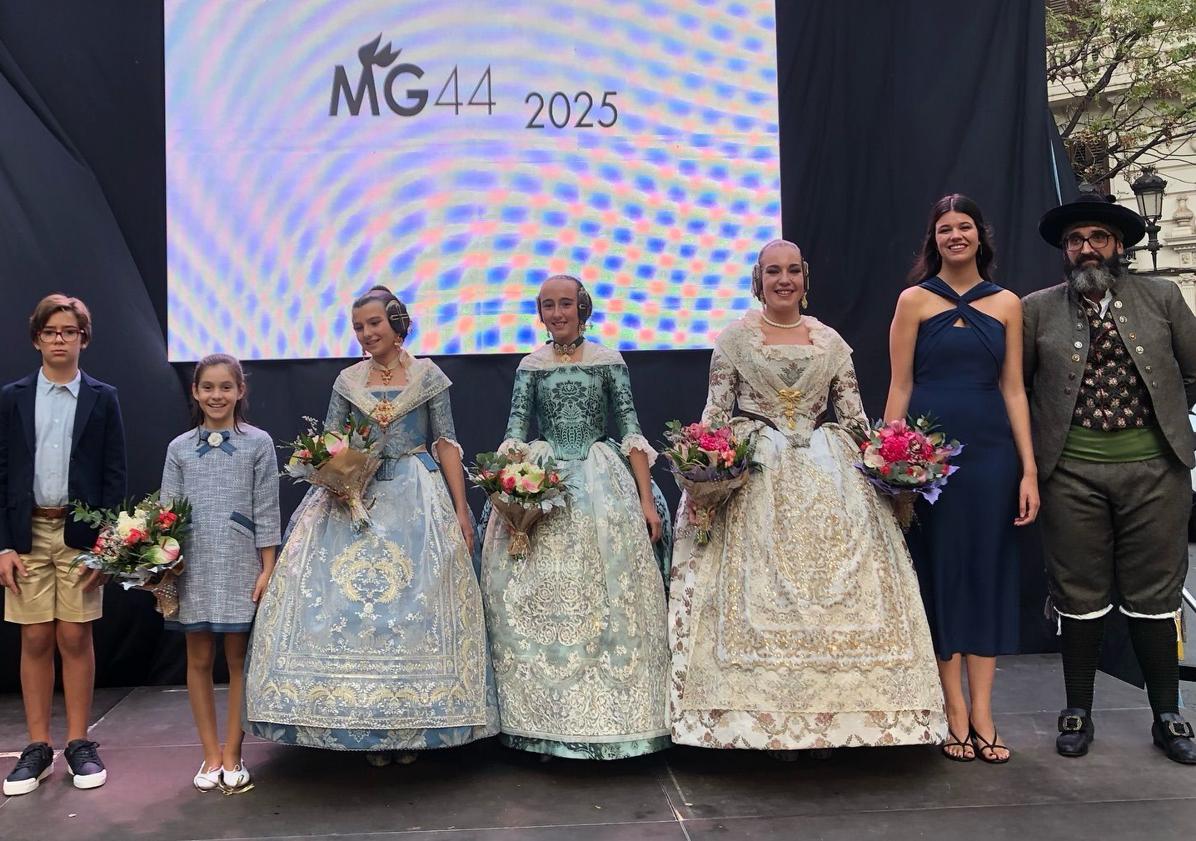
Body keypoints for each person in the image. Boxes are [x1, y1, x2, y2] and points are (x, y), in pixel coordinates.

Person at [669, 240, 946, 756]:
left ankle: (837, 720)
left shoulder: (830, 342)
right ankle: (760, 720)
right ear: (758, 279)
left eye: (793, 270)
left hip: (827, 468)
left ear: (805, 278)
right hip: (756, 466)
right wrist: (704, 471)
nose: (784, 279)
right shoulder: (734, 340)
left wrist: (891, 463)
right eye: (773, 271)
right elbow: (715, 415)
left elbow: (854, 415)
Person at [245, 286, 497, 763]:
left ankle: (411, 727)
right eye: (359, 326)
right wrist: (335, 477)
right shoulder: (347, 380)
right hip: (355, 496)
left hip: (416, 494)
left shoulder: (428, 376)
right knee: (356, 606)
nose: (366, 334)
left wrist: (462, 511)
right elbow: (333, 442)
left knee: (414, 604)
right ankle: (366, 726)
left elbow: (445, 441)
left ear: (397, 322)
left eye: (374, 323)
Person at [1025, 192, 1196, 764]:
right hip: (1070, 472)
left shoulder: (1163, 297)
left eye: (1098, 237)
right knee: (1078, 593)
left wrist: (1169, 425)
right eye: (1075, 241)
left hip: (1156, 472)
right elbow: (1020, 390)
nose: (1086, 248)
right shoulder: (1037, 309)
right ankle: (1078, 708)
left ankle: (1167, 715)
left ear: (1118, 245)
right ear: (1065, 252)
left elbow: (1193, 373)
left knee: (1155, 594)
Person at [480, 274, 671, 760]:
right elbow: (516, 431)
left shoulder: (609, 360)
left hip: (600, 481)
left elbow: (630, 430)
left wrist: (647, 501)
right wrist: (508, 492)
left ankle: (615, 719)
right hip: (545, 480)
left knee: (606, 592)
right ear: (540, 314)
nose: (558, 313)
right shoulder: (531, 365)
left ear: (582, 308)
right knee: (543, 598)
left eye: (566, 304)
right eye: (549, 306)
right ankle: (544, 722)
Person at [885, 195, 1038, 763]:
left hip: (993, 454)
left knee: (989, 572)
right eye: (945, 228)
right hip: (930, 458)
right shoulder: (913, 300)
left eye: (964, 226)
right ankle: (952, 711)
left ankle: (984, 713)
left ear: (980, 235)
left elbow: (1014, 388)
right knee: (944, 571)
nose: (955, 236)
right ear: (934, 238)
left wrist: (1028, 469)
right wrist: (890, 463)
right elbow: (900, 385)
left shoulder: (1007, 304)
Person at [1, 294, 127, 796]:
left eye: (69, 331)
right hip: (26, 535)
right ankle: (36, 747)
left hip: (79, 538)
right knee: (34, 638)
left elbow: (114, 475)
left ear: (83, 339)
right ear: (37, 338)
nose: (60, 339)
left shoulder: (103, 397)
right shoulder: (12, 397)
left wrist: (106, 547)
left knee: (74, 637)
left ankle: (79, 742)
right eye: (51, 331)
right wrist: (3, 547)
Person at [159, 353, 280, 792]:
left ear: (240, 391)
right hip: (193, 566)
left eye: (225, 387)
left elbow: (267, 508)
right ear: (195, 391)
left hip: (240, 563)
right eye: (207, 387)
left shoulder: (258, 443)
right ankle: (210, 755)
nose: (216, 395)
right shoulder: (178, 448)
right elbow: (166, 514)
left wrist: (268, 566)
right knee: (197, 658)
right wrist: (164, 565)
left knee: (237, 658)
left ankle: (234, 752)